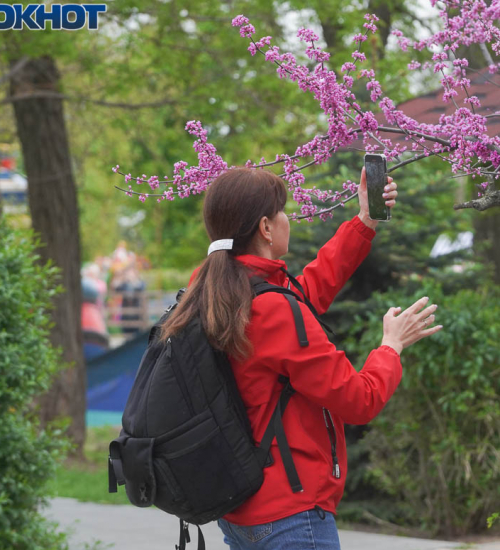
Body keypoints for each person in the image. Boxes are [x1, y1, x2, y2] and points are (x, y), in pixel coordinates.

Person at [159, 166, 442, 550]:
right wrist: (391, 346)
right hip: (291, 518)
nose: (287, 218)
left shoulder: (212, 290)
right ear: (265, 228)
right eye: (282, 211)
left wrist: (364, 222)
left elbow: (304, 294)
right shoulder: (270, 309)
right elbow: (359, 400)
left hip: (241, 509)